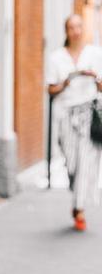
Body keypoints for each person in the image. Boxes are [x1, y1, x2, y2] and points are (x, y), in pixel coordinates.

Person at [46, 13, 102, 230]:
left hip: (89, 113)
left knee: (85, 162)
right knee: (72, 163)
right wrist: (66, 82)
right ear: (66, 31)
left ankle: (79, 209)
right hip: (65, 114)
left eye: (79, 26)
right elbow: (51, 89)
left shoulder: (95, 54)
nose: (76, 31)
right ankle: (75, 185)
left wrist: (96, 79)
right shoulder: (56, 58)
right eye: (72, 27)